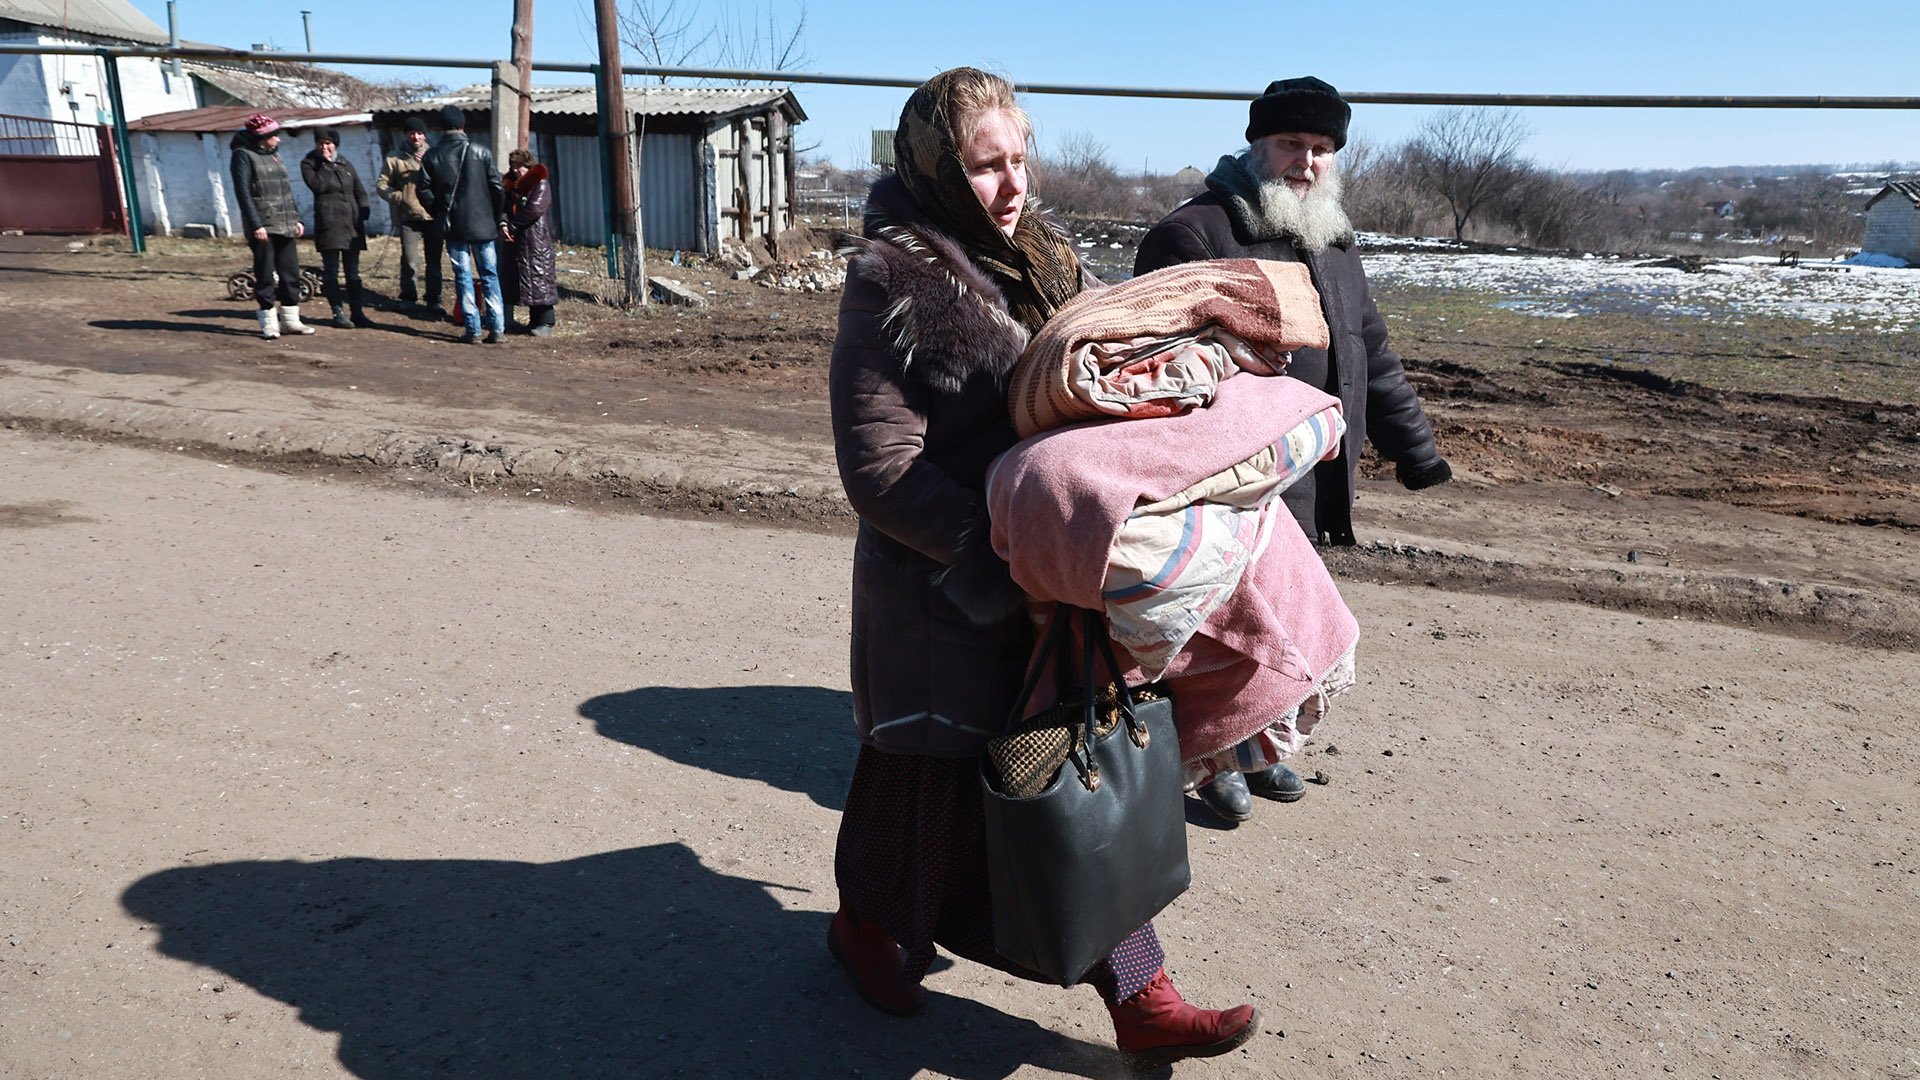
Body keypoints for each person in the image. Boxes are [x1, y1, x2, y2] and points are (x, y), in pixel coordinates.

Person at [828, 67, 1257, 1069]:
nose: (1012, 182)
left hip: (1050, 580)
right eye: (986, 165)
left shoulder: (1048, 253)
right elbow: (879, 470)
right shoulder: (894, 282)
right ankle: (864, 928)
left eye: (1020, 157)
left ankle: (1142, 994)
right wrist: (1003, 554)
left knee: (1076, 770)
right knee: (921, 792)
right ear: (937, 167)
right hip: (947, 591)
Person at [1135, 76, 1454, 824]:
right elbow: (1155, 369)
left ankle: (1258, 743)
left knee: (1281, 625)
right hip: (1224, 481)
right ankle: (1206, 763)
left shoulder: (1333, 240)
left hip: (1309, 478)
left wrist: (1416, 449)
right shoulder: (1196, 233)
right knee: (1213, 626)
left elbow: (1369, 353)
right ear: (1257, 145)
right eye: (1289, 145)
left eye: (1320, 149)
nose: (1305, 162)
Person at [419, 105, 505, 345]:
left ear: (441, 128)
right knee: (489, 275)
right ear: (462, 126)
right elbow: (498, 188)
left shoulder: (432, 155)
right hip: (483, 226)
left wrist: (438, 211)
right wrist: (496, 216)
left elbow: (422, 189)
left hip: (453, 227)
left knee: (462, 276)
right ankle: (497, 328)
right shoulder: (481, 151)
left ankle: (473, 329)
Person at [228, 113, 315, 340]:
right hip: (263, 225)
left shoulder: (275, 155)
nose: (278, 139)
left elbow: (286, 190)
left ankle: (291, 320)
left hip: (285, 223)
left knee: (290, 272)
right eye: (274, 135)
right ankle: (269, 321)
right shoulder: (242, 156)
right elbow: (243, 193)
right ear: (262, 136)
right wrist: (256, 224)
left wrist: (296, 219)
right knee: (265, 273)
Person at [300, 128, 373, 329]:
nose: (325, 147)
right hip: (329, 223)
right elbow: (318, 186)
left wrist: (364, 209)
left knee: (353, 273)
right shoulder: (309, 164)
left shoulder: (346, 163)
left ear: (336, 144)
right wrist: (325, 163)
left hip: (351, 224)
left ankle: (357, 312)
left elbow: (359, 189)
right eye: (320, 144)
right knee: (331, 271)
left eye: (328, 143)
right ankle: (338, 312)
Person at [377, 116, 444, 315]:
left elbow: (444, 181)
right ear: (406, 134)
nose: (416, 137)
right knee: (409, 260)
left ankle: (434, 298)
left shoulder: (434, 154)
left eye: (420, 133)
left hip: (432, 215)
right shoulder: (394, 158)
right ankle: (408, 297)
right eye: (412, 133)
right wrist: (399, 197)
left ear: (425, 134)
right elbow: (382, 185)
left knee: (434, 261)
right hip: (409, 216)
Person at [500, 148, 557, 336]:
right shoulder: (510, 186)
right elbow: (503, 207)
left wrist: (513, 226)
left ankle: (544, 323)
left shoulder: (540, 183)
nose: (517, 172)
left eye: (520, 168)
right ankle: (516, 320)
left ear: (528, 166)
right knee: (514, 278)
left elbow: (534, 209)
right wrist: (504, 224)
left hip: (535, 241)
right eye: (514, 168)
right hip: (515, 240)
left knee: (539, 279)